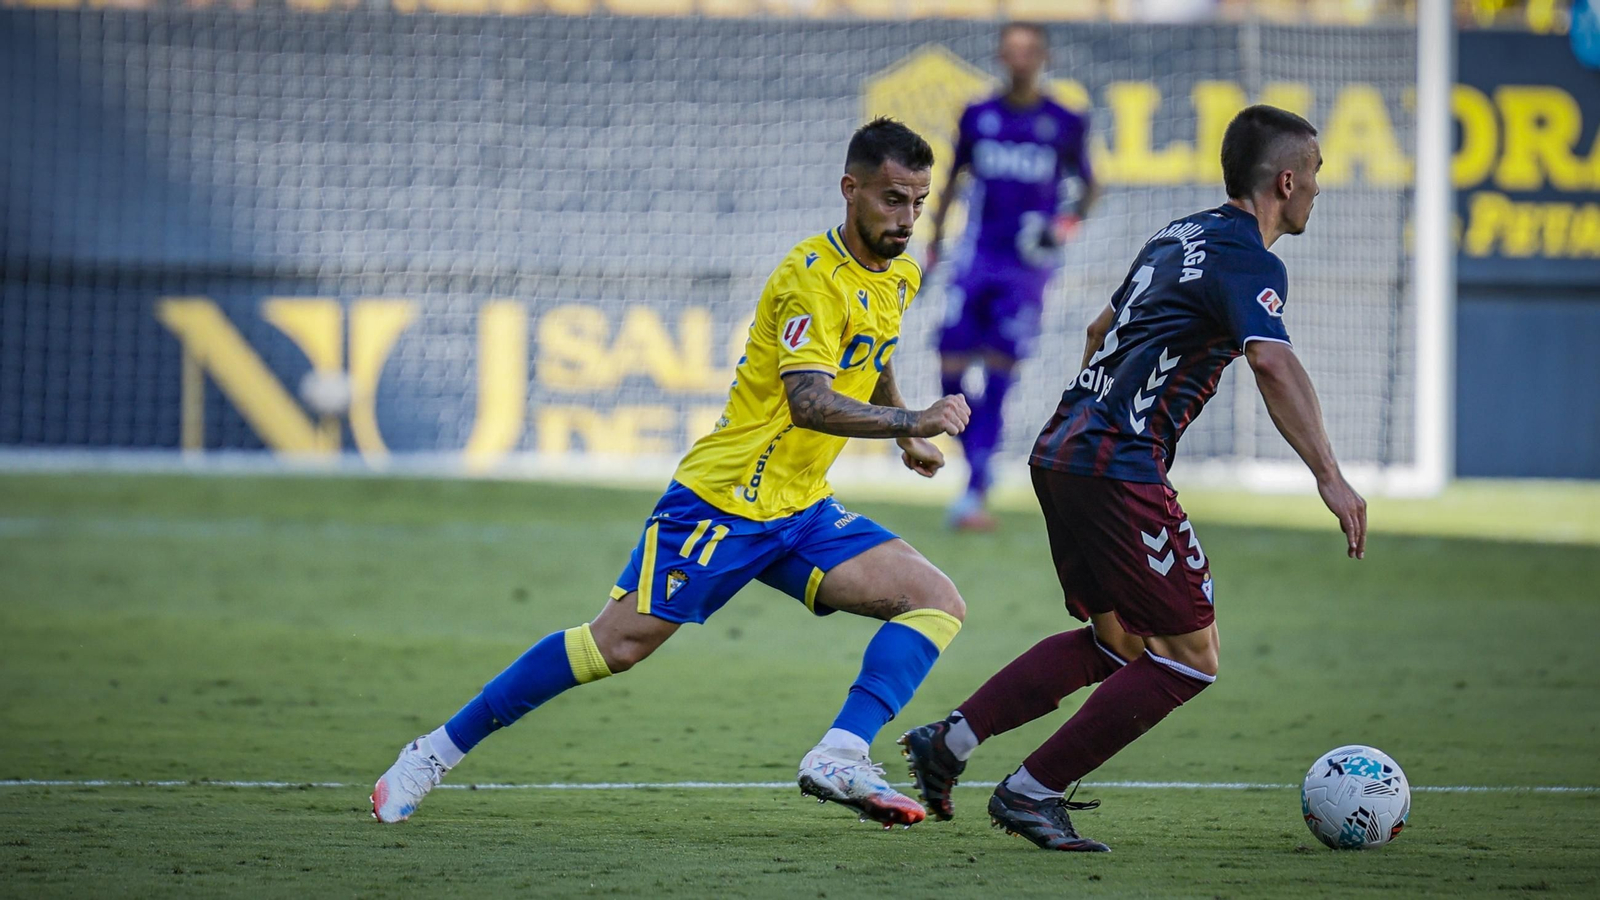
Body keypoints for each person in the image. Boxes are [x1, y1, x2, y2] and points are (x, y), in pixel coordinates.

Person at [372, 118, 973, 830]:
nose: (906, 218)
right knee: (613, 646)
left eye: (918, 202)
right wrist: (914, 422)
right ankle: (432, 753)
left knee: (935, 600)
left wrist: (902, 427)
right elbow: (808, 401)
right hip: (723, 502)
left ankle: (839, 753)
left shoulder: (900, 273)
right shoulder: (810, 278)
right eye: (891, 199)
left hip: (801, 508)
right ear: (851, 190)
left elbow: (869, 351)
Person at [900, 105, 1368, 851]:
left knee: (1120, 640)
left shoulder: (1177, 234)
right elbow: (1271, 360)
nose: (1318, 187)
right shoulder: (1251, 257)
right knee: (1191, 657)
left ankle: (951, 741)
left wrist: (1100, 424)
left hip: (1065, 444)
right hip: (1116, 462)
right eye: (1314, 173)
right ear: (1286, 179)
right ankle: (1031, 792)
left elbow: (1096, 331)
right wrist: (1331, 477)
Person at [924, 21, 1099, 531]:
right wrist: (934, 244)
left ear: (1043, 57)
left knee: (999, 373)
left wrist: (1060, 229)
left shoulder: (1064, 120)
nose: (1019, 59)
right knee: (950, 365)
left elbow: (1089, 188)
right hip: (974, 258)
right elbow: (953, 180)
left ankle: (976, 483)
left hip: (1025, 270)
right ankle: (980, 463)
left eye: (1028, 51)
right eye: (1011, 50)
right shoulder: (978, 116)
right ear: (1001, 56)